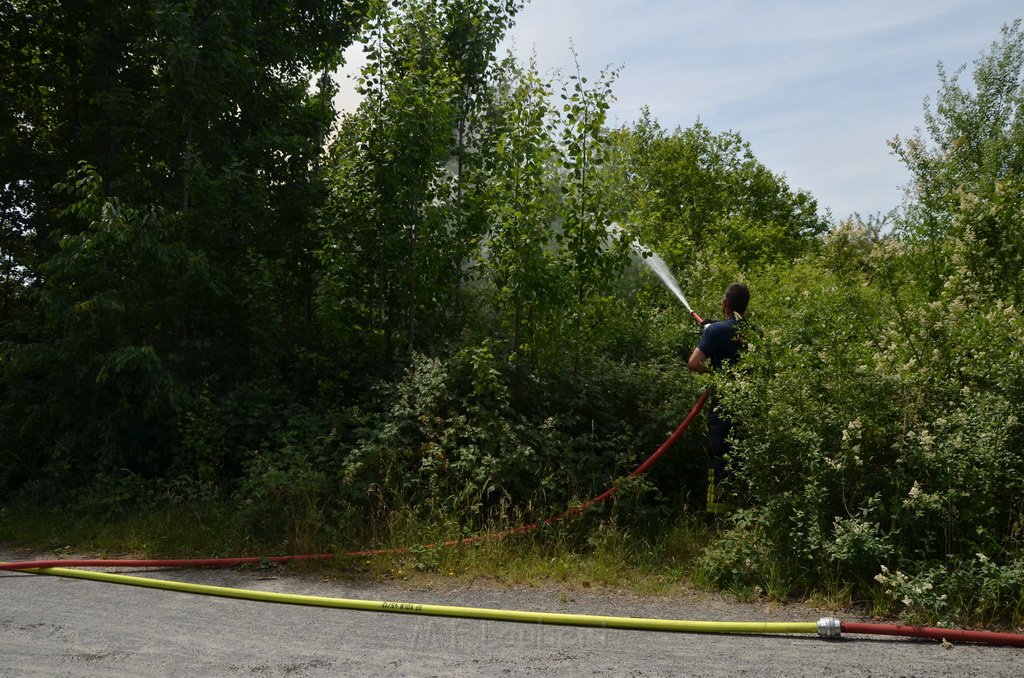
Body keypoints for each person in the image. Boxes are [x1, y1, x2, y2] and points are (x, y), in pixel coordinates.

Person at [687, 282, 750, 514]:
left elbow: (694, 363)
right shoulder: (756, 332)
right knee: (741, 457)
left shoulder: (715, 331)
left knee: (719, 457)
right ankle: (743, 509)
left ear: (725, 303)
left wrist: (716, 373)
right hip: (749, 405)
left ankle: (717, 515)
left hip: (722, 407)